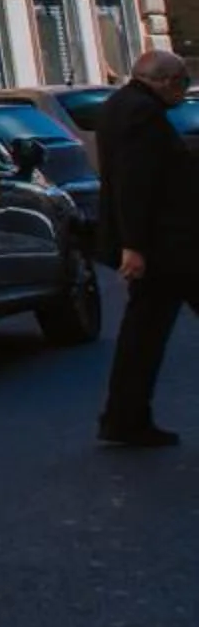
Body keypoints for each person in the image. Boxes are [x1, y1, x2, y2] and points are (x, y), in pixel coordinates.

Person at [96, 49, 199, 447]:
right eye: (183, 85)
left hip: (161, 248)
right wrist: (134, 246)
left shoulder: (120, 106)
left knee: (142, 335)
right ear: (167, 81)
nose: (184, 93)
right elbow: (135, 183)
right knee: (142, 335)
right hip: (168, 248)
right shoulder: (142, 114)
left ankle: (124, 417)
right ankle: (125, 417)